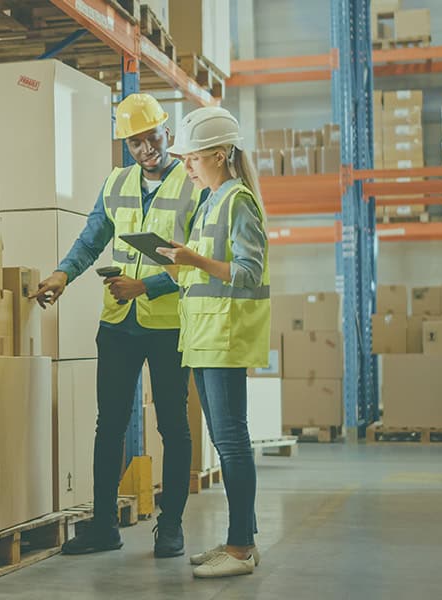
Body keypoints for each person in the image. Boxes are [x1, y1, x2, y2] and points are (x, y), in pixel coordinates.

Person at [32, 93, 199, 559]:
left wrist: (146, 289)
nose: (146, 148)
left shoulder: (192, 185)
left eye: (152, 137)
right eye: (135, 142)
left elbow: (200, 262)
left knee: (173, 427)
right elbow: (92, 238)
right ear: (125, 144)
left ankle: (171, 528)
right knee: (109, 424)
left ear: (168, 132)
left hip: (167, 325)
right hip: (119, 324)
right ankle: (104, 525)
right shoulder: (117, 183)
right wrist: (63, 274)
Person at [156, 106, 271, 579]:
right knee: (226, 445)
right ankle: (236, 540)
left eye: (193, 159)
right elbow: (203, 273)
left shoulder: (237, 201)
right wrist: (175, 264)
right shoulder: (209, 201)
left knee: (232, 443)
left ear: (221, 156)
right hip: (203, 338)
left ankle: (242, 548)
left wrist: (195, 261)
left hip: (225, 337)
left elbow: (248, 273)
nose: (185, 167)